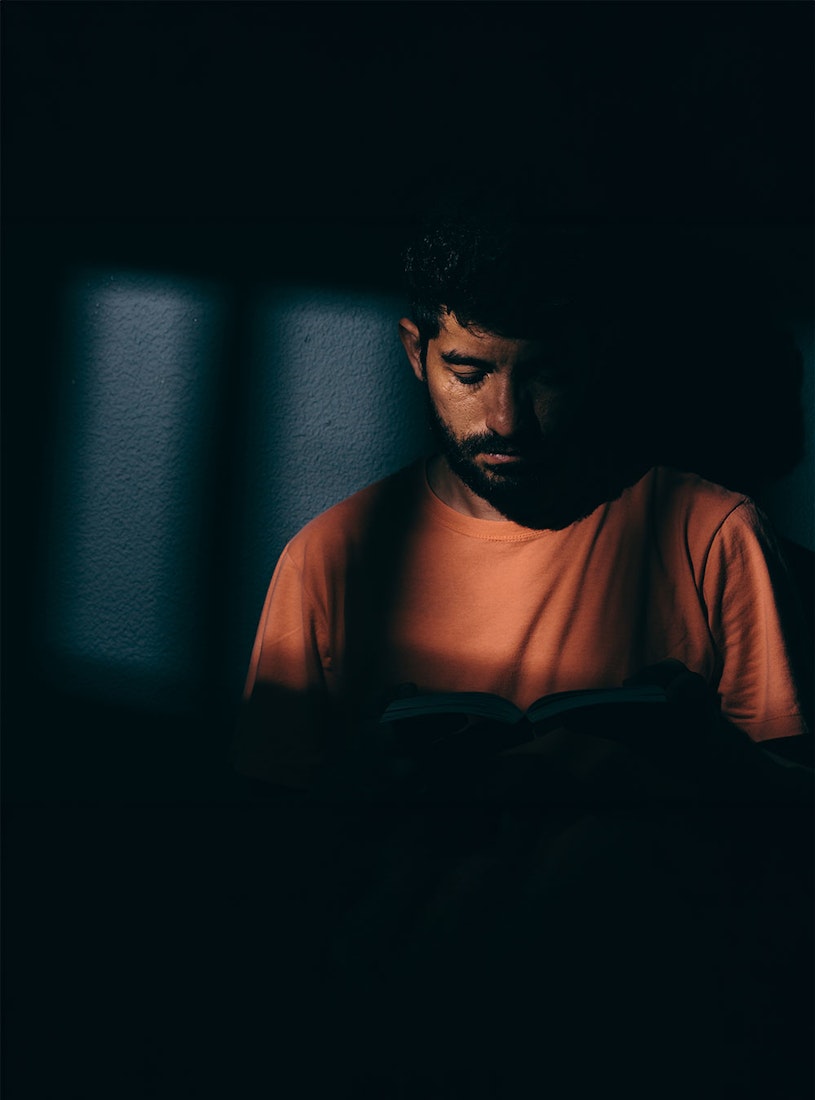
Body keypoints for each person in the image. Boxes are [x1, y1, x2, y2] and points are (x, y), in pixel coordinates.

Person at [230, 172, 812, 1096]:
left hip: (652, 1039)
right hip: (400, 1034)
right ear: (414, 350)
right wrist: (370, 780)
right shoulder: (332, 559)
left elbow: (790, 836)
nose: (505, 419)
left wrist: (697, 755)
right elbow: (262, 859)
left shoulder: (711, 534)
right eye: (470, 372)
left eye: (546, 373)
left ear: (601, 350)